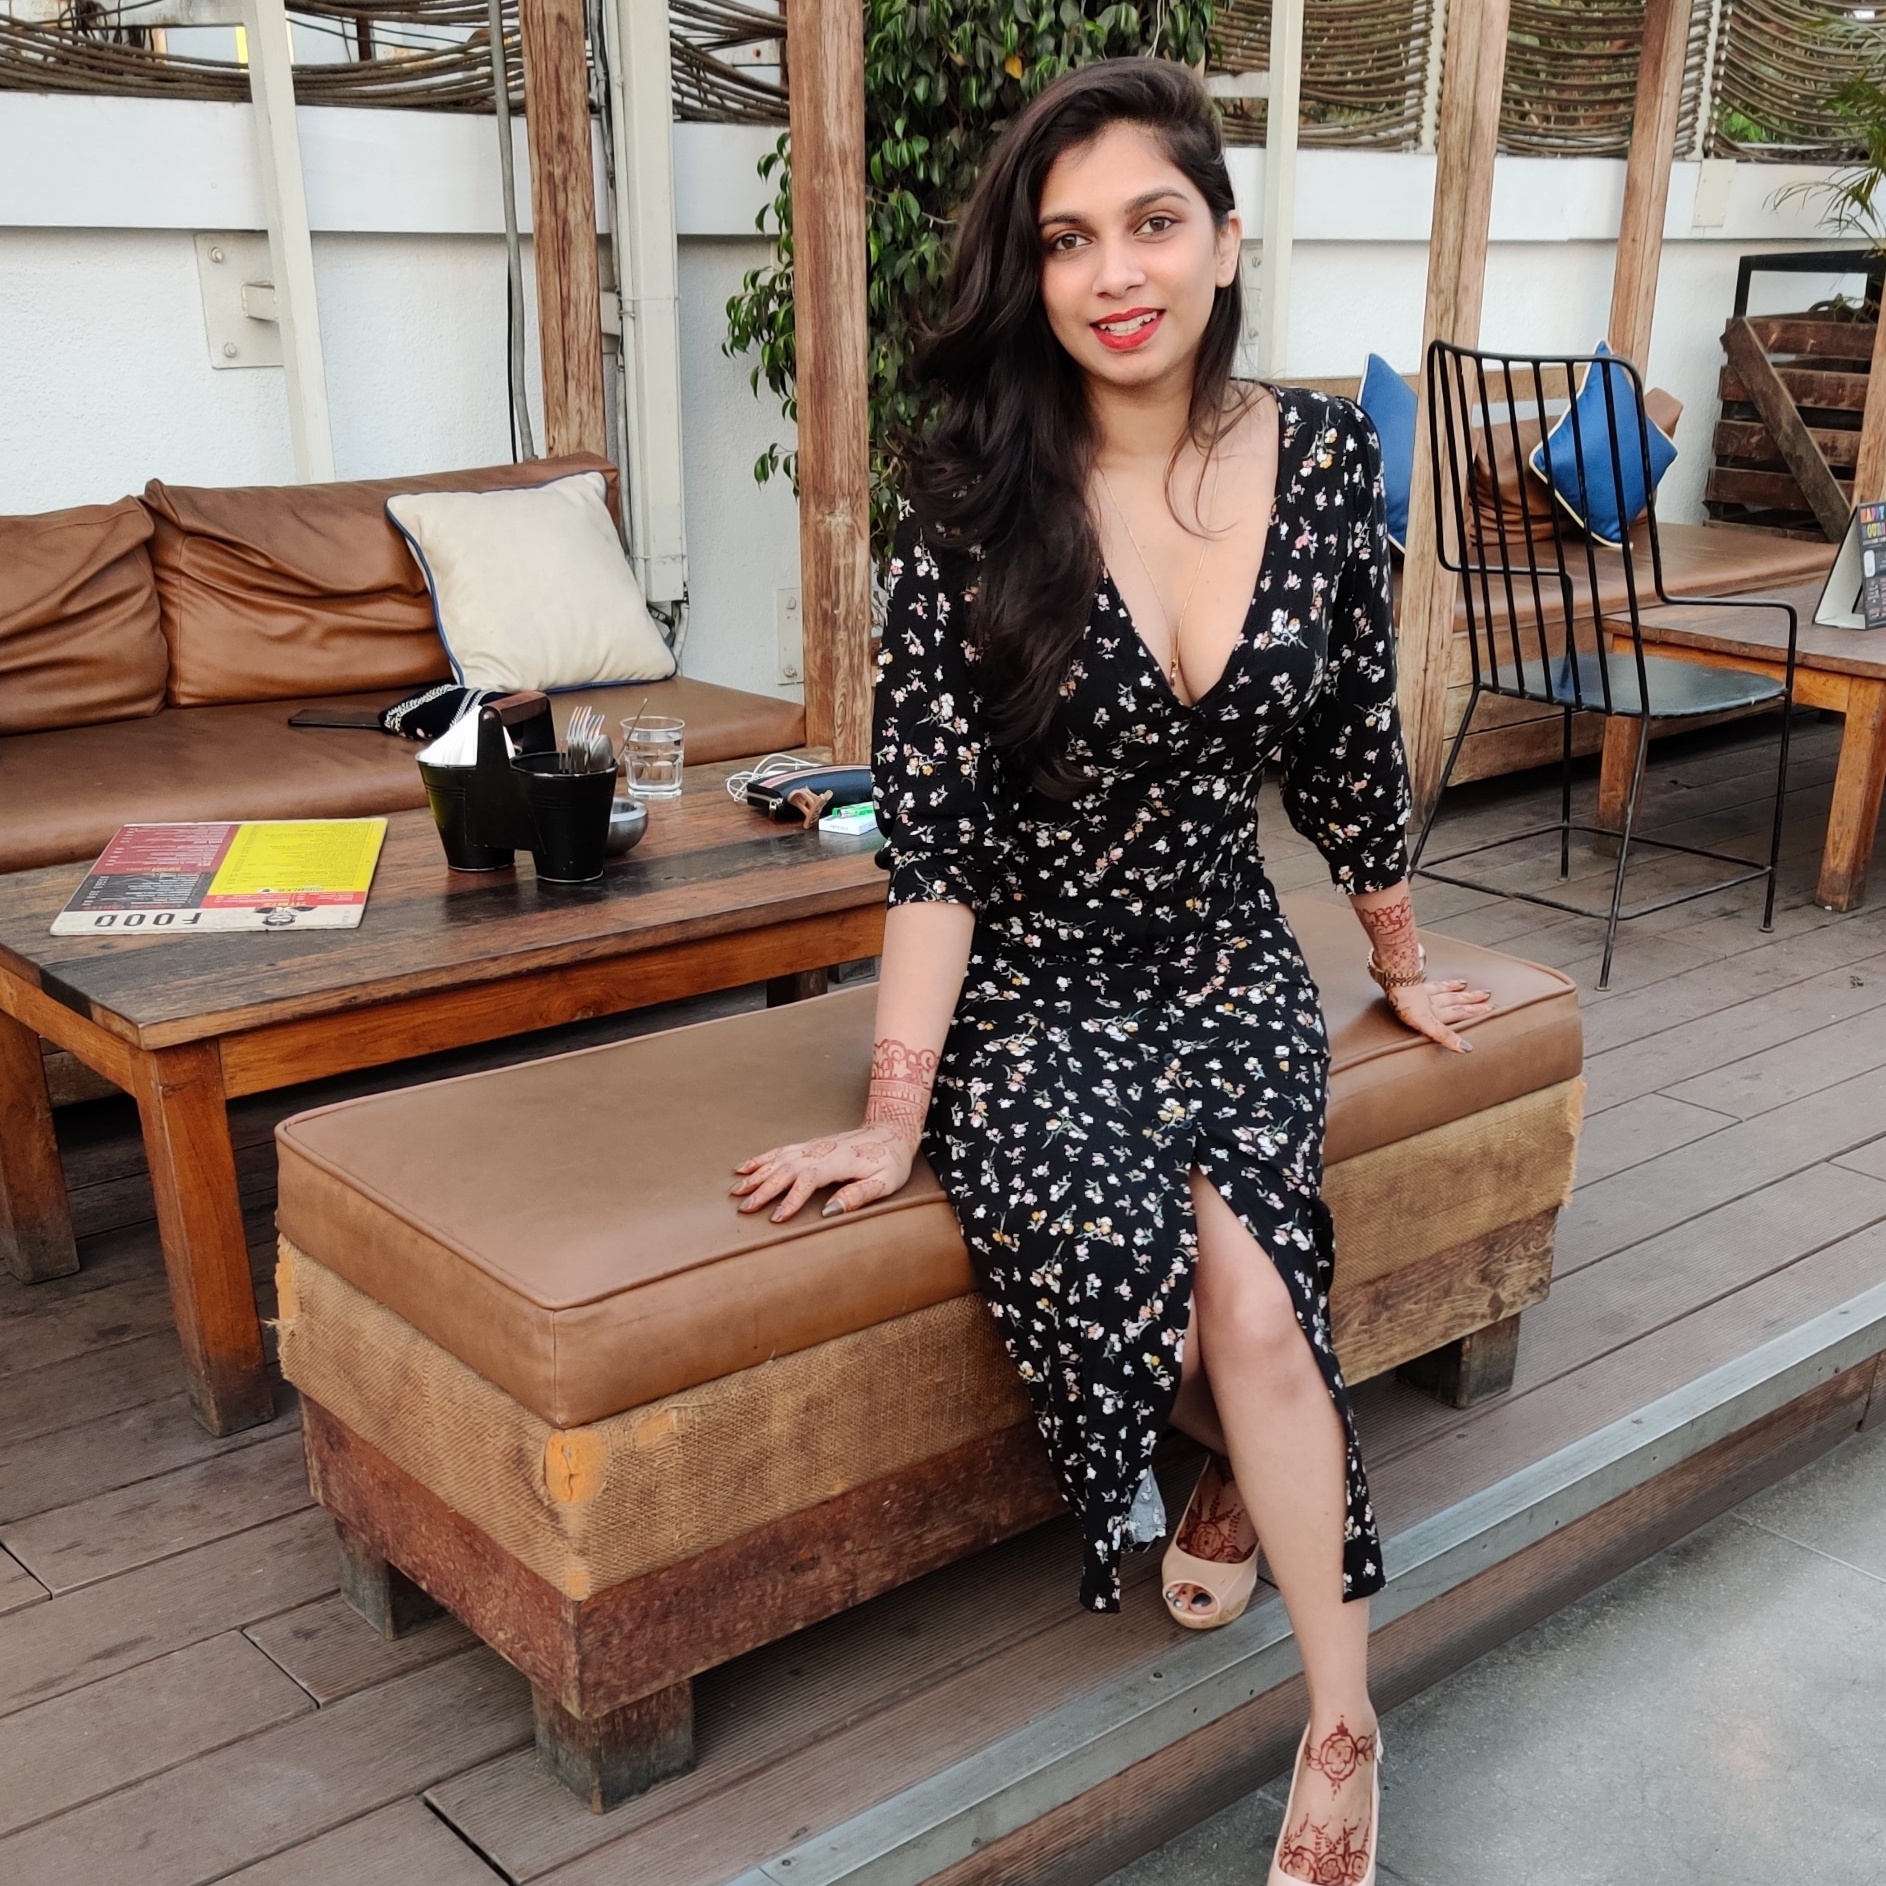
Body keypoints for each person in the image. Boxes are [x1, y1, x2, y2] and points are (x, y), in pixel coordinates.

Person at [731, 57, 1491, 1886]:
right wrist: (893, 1114)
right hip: (1029, 989)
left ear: (1223, 239)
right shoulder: (972, 499)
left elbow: (1346, 747)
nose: (1111, 272)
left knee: (1251, 1288)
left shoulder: (1322, 463)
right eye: (1066, 239)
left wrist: (1397, 959)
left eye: (1150, 222)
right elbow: (936, 843)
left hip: (1222, 959)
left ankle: (1340, 1725)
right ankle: (1227, 1460)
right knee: (1153, 1276)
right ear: (1035, 273)